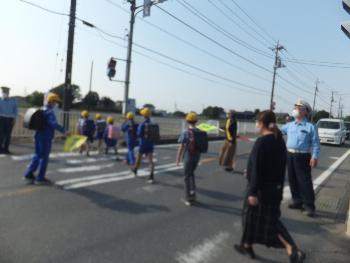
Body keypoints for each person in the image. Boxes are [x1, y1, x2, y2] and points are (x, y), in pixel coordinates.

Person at [234, 110, 305, 263]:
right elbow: (276, 166)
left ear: (262, 124)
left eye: (257, 122)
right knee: (253, 219)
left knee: (268, 223)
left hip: (260, 190)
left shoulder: (262, 142)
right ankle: (246, 245)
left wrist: (252, 191)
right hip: (275, 188)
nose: (255, 125)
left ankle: (292, 249)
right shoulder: (279, 141)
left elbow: (258, 169)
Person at [281, 99, 320, 217]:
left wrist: (314, 157)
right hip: (290, 154)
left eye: (298, 107)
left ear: (305, 111)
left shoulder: (310, 127)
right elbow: (278, 131)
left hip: (302, 156)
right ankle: (297, 201)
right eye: (295, 107)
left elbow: (315, 144)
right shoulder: (290, 125)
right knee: (292, 179)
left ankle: (309, 206)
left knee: (304, 182)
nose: (295, 109)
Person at [23, 93, 66, 185]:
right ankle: (40, 178)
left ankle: (29, 173)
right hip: (46, 136)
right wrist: (64, 131)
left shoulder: (42, 109)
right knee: (44, 157)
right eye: (56, 102)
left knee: (37, 155)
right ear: (52, 102)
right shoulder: (50, 112)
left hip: (38, 135)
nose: (56, 104)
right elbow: (53, 124)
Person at [176, 112, 202, 206]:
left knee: (187, 177)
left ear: (187, 121)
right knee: (191, 175)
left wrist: (178, 159)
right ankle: (193, 195)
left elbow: (181, 146)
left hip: (188, 157)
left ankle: (188, 198)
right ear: (196, 121)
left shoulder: (186, 132)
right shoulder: (199, 131)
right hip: (197, 157)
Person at [132, 108, 155, 184]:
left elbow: (139, 134)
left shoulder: (142, 124)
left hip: (143, 144)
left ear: (144, 116)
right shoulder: (152, 123)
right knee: (150, 161)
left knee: (138, 158)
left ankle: (135, 170)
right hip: (150, 144)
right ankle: (151, 176)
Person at [0, 86, 18, 154]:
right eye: (3, 92)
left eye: (6, 92)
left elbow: (15, 110)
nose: (4, 93)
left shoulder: (13, 101)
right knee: (1, 135)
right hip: (1, 118)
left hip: (10, 119)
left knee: (8, 135)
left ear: (8, 93)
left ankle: (6, 149)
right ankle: (0, 149)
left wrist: (14, 118)